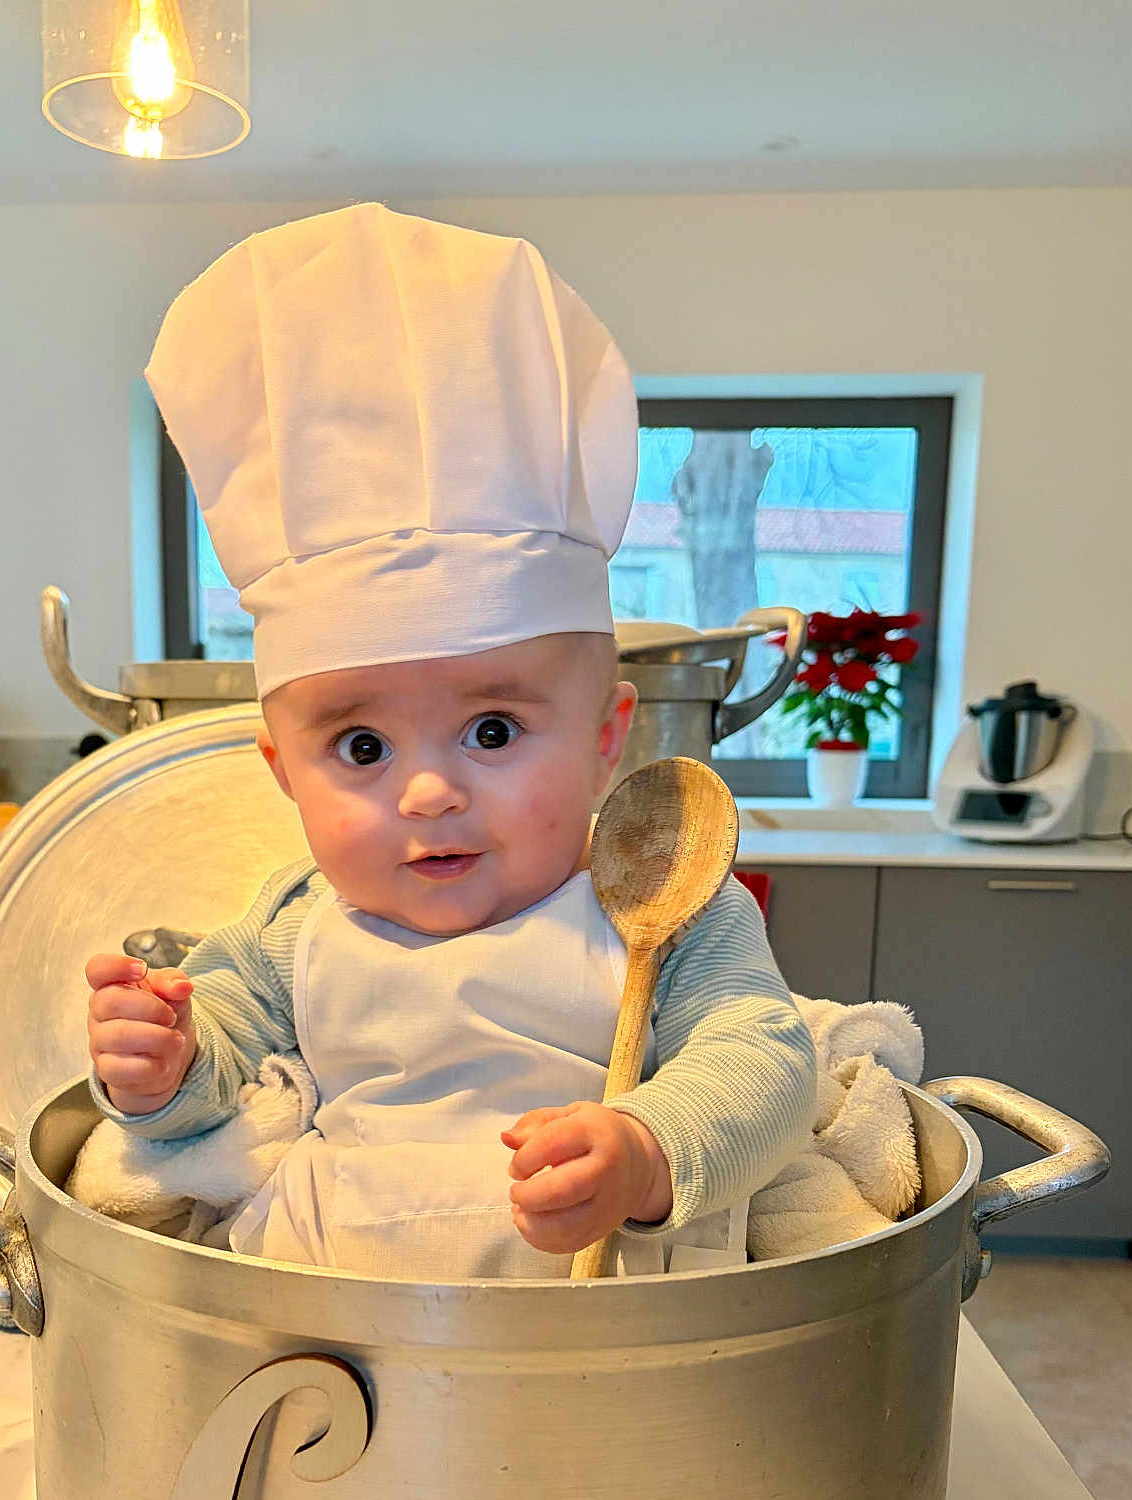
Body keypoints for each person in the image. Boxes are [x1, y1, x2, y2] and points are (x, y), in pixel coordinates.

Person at [84, 205, 814, 1279]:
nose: (428, 792)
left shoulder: (659, 909)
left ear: (609, 737)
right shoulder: (293, 930)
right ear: (283, 775)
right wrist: (162, 1065)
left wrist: (646, 1149)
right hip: (329, 1330)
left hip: (605, 1339)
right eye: (362, 750)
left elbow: (767, 1063)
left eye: (491, 729)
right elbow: (223, 1068)